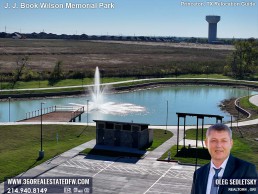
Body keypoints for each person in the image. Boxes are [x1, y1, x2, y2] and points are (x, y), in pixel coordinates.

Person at [191, 123, 257, 194]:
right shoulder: (199, 174)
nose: (219, 145)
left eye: (224, 141)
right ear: (206, 143)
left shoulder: (246, 170)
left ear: (231, 143)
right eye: (214, 140)